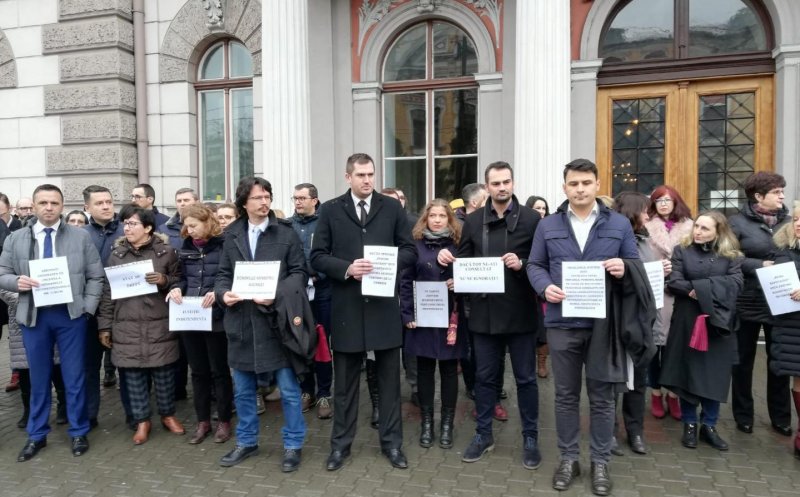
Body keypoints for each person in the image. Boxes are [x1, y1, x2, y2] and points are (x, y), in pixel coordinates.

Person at [528, 159, 640, 496]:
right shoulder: (547, 226)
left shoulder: (618, 224)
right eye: (573, 183)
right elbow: (535, 264)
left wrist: (624, 266)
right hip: (562, 323)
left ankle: (600, 462)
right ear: (564, 187)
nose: (580, 189)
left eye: (586, 183)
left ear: (597, 185)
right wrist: (543, 286)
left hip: (604, 325)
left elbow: (634, 263)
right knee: (564, 396)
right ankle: (568, 458)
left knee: (603, 398)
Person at [310, 153, 417, 471]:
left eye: (371, 174)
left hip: (384, 307)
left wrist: (386, 264)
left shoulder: (392, 208)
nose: (367, 180)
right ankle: (340, 447)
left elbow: (409, 250)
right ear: (348, 177)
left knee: (389, 384)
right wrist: (346, 268)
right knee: (344, 386)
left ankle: (392, 444)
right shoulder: (330, 210)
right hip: (347, 308)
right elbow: (316, 257)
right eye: (360, 175)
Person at [439, 161, 541, 468]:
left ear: (513, 182)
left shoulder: (532, 219)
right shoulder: (472, 221)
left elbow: (541, 261)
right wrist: (452, 262)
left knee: (525, 379)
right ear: (487, 186)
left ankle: (531, 437)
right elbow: (466, 258)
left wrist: (522, 264)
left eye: (506, 182)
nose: (502, 188)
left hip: (521, 312)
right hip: (483, 314)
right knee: (484, 378)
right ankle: (483, 434)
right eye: (495, 183)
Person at [0, 184, 104, 462]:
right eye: (43, 202)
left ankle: (79, 430)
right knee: (38, 378)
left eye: (54, 203)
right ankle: (36, 435)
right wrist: (16, 282)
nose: (48, 207)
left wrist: (87, 309)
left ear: (61, 205)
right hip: (34, 316)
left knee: (74, 377)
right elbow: (2, 273)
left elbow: (96, 277)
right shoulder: (16, 238)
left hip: (70, 316)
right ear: (33, 206)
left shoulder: (80, 238)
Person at [214, 176, 309, 470]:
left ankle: (293, 445)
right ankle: (247, 442)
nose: (264, 202)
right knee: (242, 391)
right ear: (244, 202)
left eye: (267, 196)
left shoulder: (286, 233)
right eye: (257, 197)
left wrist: (276, 295)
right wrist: (222, 294)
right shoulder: (231, 234)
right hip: (241, 323)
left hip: (276, 323)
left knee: (289, 391)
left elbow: (300, 273)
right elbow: (222, 274)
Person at [97, 204, 185, 445]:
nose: (127, 227)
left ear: (148, 228)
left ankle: (168, 415)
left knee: (165, 373)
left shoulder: (166, 252)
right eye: (125, 223)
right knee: (133, 376)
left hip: (159, 323)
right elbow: (107, 292)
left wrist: (165, 280)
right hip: (126, 325)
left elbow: (180, 281)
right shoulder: (116, 255)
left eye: (133, 223)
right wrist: (104, 326)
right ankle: (142, 421)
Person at [660, 211, 743, 451]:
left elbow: (736, 284)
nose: (698, 231)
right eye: (697, 226)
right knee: (688, 372)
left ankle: (709, 424)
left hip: (718, 322)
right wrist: (698, 290)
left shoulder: (732, 256)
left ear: (719, 231)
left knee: (714, 374)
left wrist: (699, 290)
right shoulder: (681, 251)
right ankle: (689, 424)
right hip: (687, 321)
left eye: (705, 228)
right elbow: (674, 281)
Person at [729, 172, 793, 437]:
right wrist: (760, 265)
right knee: (743, 362)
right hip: (747, 300)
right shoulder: (737, 223)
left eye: (782, 192)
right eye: (777, 192)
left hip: (781, 301)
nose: (782, 196)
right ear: (758, 196)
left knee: (779, 362)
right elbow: (729, 256)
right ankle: (743, 416)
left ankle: (781, 417)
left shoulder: (790, 222)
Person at [399, 199, 464, 449]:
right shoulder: (414, 246)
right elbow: (405, 282)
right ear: (424, 219)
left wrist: (458, 281)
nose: (437, 220)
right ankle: (427, 422)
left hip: (451, 319)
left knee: (449, 371)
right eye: (432, 216)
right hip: (423, 319)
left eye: (442, 216)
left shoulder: (459, 245)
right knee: (424, 370)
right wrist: (407, 315)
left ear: (450, 219)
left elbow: (472, 275)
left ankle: (446, 424)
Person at [167, 204, 234, 444]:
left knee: (220, 371)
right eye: (187, 225)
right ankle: (202, 421)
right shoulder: (185, 247)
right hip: (190, 316)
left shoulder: (225, 245)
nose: (190, 230)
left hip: (215, 317)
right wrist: (176, 289)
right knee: (197, 372)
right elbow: (181, 277)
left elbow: (229, 276)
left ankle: (224, 420)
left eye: (194, 225)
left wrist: (218, 293)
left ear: (207, 222)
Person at [612, 192, 672, 455]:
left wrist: (662, 271)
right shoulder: (611, 240)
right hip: (617, 319)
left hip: (643, 320)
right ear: (632, 212)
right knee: (612, 379)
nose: (648, 215)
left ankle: (635, 431)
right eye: (645, 211)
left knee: (638, 380)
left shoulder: (646, 241)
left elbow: (648, 281)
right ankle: (609, 431)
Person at [644, 185, 693, 420]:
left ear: (676, 202)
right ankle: (655, 392)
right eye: (658, 200)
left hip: (682, 294)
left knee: (678, 348)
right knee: (656, 346)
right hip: (656, 292)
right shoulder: (646, 227)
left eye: (667, 200)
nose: (663, 204)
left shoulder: (691, 227)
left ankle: (673, 395)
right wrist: (657, 268)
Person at [82, 185, 126, 427]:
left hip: (124, 309)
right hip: (91, 311)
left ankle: (135, 416)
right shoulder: (80, 235)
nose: (106, 206)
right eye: (99, 203)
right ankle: (89, 416)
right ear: (87, 207)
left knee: (128, 366)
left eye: (109, 201)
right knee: (89, 366)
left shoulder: (126, 229)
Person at [291, 183, 333, 420]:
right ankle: (306, 390)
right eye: (295, 198)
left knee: (322, 342)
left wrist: (318, 275)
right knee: (301, 341)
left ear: (315, 200)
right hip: (297, 293)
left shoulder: (325, 224)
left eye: (303, 198)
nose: (298, 202)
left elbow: (333, 253)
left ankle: (325, 392)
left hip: (323, 291)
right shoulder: (287, 225)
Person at [771, 203, 800, 459]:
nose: (798, 223)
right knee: (799, 377)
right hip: (793, 325)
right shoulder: (784, 251)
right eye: (798, 219)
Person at [525, 195, 551, 379]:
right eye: (537, 208)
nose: (541, 211)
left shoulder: (550, 227)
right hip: (526, 283)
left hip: (545, 282)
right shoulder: (525, 228)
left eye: (543, 208)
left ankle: (542, 362)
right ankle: (527, 362)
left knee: (544, 325)